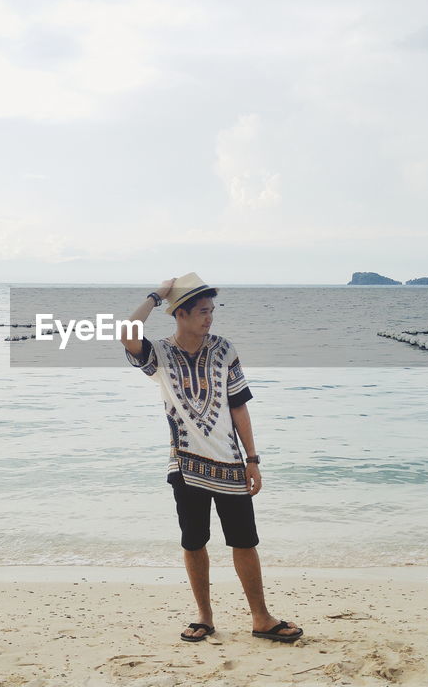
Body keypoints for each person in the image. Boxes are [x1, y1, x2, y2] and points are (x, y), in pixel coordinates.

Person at [120, 273, 303, 644]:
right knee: (193, 541)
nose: (210, 318)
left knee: (245, 542)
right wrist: (157, 295)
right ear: (181, 314)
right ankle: (204, 617)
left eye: (212, 311)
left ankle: (261, 618)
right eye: (202, 311)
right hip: (186, 465)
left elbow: (239, 406)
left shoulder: (224, 349)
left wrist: (253, 460)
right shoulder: (161, 356)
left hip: (232, 464)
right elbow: (127, 332)